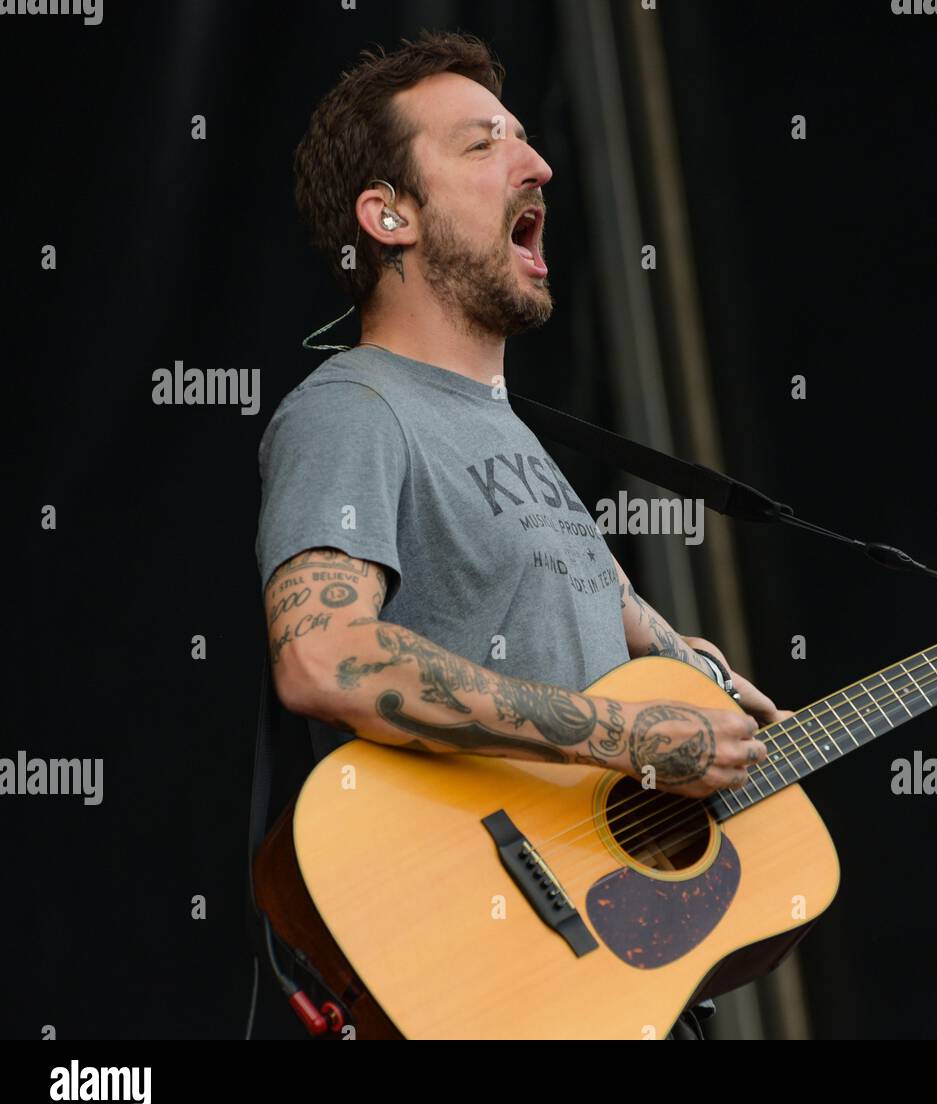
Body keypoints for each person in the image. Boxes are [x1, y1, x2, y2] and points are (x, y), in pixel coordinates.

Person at [255, 29, 791, 1041]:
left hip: (611, 972)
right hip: (494, 966)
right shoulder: (354, 407)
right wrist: (628, 733)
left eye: (527, 141)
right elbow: (325, 653)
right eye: (481, 144)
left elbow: (574, 596)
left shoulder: (509, 433)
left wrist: (677, 657)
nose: (537, 164)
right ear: (388, 215)